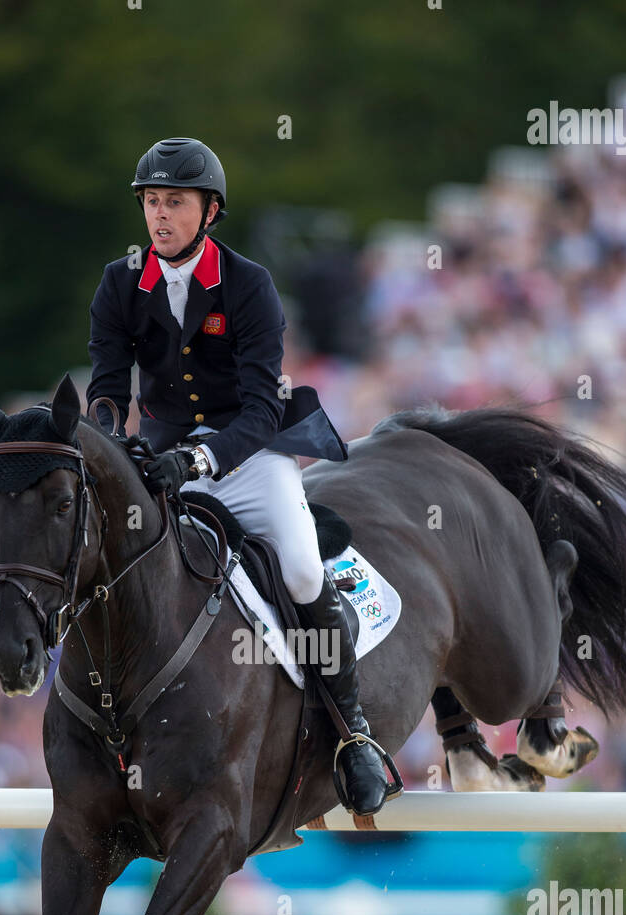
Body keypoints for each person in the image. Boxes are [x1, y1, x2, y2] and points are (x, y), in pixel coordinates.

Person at [86, 136, 391, 816]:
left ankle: (352, 733)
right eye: (152, 202)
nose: (160, 215)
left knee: (305, 573)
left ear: (210, 210)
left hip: (250, 454)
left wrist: (200, 459)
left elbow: (260, 407)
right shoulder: (119, 283)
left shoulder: (248, 284)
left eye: (175, 202)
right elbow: (107, 390)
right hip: (162, 457)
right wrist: (112, 445)